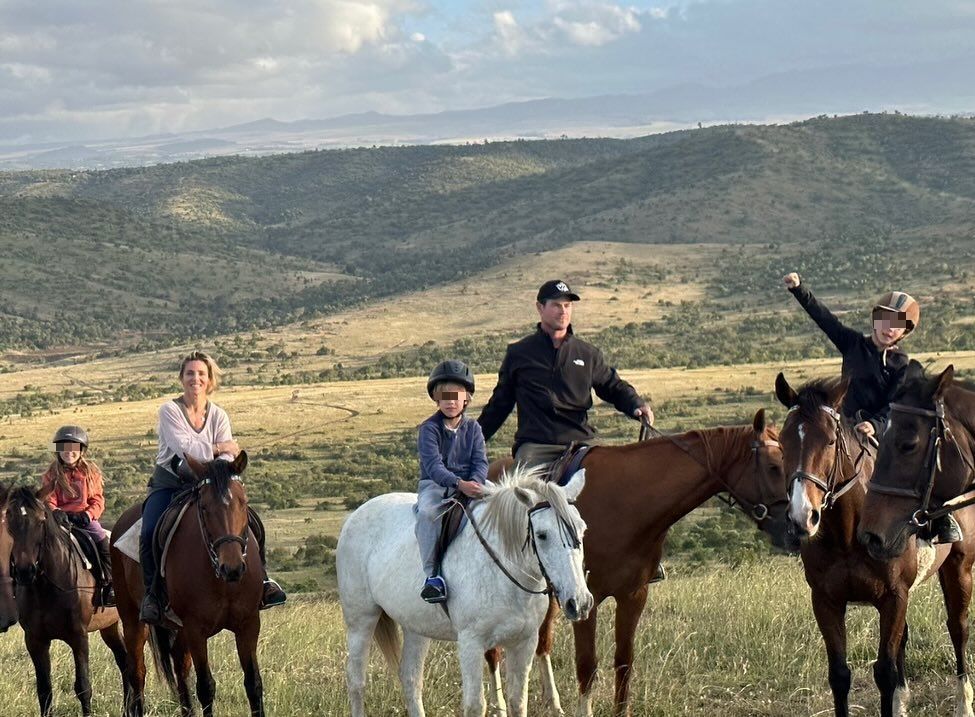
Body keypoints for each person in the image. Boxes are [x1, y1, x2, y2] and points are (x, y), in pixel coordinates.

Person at [783, 272, 957, 541]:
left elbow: (895, 402)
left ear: (904, 332)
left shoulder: (902, 364)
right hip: (843, 426)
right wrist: (798, 289)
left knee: (916, 463)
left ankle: (937, 521)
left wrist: (875, 424)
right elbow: (824, 318)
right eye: (886, 321)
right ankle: (795, 520)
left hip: (880, 430)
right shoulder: (852, 343)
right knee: (806, 461)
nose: (890, 329)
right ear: (876, 320)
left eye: (898, 325)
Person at [139, 351, 287, 626]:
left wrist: (224, 461)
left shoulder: (219, 415)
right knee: (149, 530)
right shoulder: (169, 410)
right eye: (190, 374)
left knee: (251, 521)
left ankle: (264, 580)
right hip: (171, 482)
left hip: (211, 481)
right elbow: (186, 450)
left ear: (210, 381)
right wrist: (220, 448)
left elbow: (230, 457)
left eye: (201, 374)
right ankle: (153, 595)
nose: (195, 379)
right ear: (181, 379)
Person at [477, 280, 653, 469]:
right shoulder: (519, 353)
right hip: (536, 446)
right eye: (556, 305)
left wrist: (636, 404)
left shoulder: (588, 354)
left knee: (616, 478)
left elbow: (613, 386)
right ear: (540, 308)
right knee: (522, 492)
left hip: (582, 443)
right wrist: (471, 441)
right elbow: (499, 406)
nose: (563, 311)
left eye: (567, 305)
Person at [415, 360, 488, 603]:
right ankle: (432, 576)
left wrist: (476, 483)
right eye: (444, 396)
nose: (450, 401)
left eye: (456, 395)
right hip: (436, 486)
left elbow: (481, 462)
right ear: (436, 398)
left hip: (470, 484)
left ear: (466, 398)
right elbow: (433, 466)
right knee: (427, 514)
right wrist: (458, 484)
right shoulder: (429, 429)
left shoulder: (474, 428)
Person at [41, 425, 115, 606]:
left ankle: (109, 582)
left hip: (84, 519)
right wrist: (56, 512)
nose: (68, 452)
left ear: (81, 450)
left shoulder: (91, 473)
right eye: (63, 448)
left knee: (102, 540)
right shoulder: (51, 474)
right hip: (59, 520)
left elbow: (98, 499)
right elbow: (49, 499)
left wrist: (88, 515)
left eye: (73, 448)